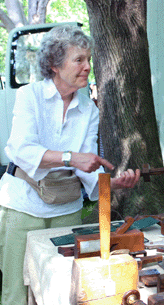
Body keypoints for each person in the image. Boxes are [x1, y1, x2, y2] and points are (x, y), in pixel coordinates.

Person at [0, 25, 141, 305]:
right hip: (22, 204)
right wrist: (70, 157)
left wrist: (109, 184)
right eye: (79, 60)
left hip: (66, 207)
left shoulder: (88, 108)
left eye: (88, 59)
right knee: (15, 291)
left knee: (62, 286)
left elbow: (86, 163)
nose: (87, 67)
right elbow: (20, 149)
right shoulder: (30, 96)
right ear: (54, 64)